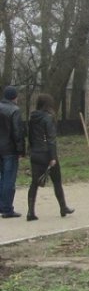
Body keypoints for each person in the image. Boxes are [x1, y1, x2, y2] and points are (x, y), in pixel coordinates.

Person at [27, 93, 74, 221]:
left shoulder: (32, 117)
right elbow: (51, 139)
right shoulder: (48, 118)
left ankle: (30, 212)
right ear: (48, 105)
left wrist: (30, 150)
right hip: (46, 154)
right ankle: (63, 207)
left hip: (35, 153)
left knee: (34, 183)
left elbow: (30, 136)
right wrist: (53, 157)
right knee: (57, 181)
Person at [0, 85, 26, 218]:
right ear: (14, 97)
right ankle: (7, 208)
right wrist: (21, 150)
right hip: (9, 149)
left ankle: (2, 204)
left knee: (2, 177)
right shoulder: (14, 110)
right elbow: (17, 132)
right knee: (9, 178)